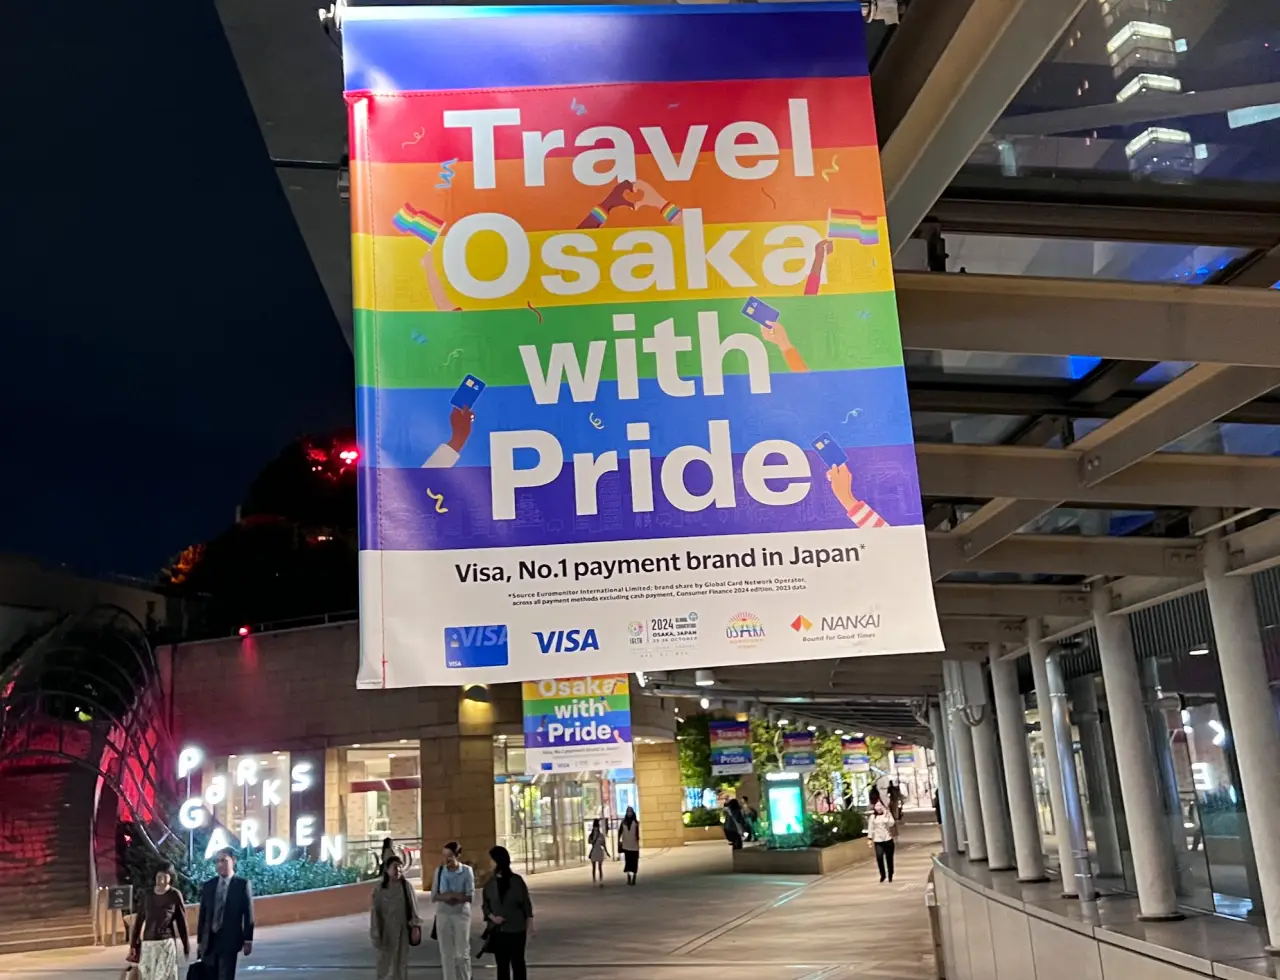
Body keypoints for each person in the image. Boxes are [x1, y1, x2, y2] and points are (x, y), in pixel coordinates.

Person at [197, 850, 255, 980]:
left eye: (224, 860)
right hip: (210, 940)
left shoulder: (242, 884)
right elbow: (203, 914)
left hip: (229, 939)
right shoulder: (209, 885)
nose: (220, 864)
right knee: (209, 975)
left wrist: (248, 939)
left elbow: (248, 913)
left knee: (225, 975)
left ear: (233, 861)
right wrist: (200, 940)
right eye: (217, 861)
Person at [482, 845, 534, 980]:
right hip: (499, 931)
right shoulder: (490, 883)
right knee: (502, 965)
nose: (490, 863)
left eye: (492, 860)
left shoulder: (516, 881)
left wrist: (530, 924)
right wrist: (493, 917)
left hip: (517, 929)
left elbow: (526, 905)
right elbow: (485, 906)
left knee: (518, 963)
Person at [129, 864, 189, 980]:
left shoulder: (174, 895)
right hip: (148, 944)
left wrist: (186, 945)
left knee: (162, 977)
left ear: (170, 877)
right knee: (147, 977)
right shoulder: (148, 895)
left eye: (164, 874)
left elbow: (181, 922)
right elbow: (139, 921)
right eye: (158, 874)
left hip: (165, 943)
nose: (160, 877)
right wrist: (133, 944)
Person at [370, 854, 421, 980]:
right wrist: (376, 933)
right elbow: (375, 912)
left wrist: (415, 926)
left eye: (400, 867)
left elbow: (413, 906)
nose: (398, 870)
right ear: (387, 870)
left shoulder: (406, 886)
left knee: (401, 962)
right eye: (395, 867)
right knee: (384, 962)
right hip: (385, 931)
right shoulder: (380, 890)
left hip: (402, 930)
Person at [431, 842, 475, 980]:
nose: (446, 859)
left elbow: (470, 895)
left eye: (449, 856)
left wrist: (454, 896)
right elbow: (434, 895)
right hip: (443, 914)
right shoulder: (439, 871)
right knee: (446, 954)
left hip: (461, 915)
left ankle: (465, 977)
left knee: (462, 953)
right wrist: (447, 896)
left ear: (458, 856)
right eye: (444, 856)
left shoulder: (467, 871)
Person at [869, 799, 897, 883]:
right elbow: (870, 828)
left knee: (889, 858)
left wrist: (886, 815)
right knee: (879, 857)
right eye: (877, 805)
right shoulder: (873, 817)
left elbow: (892, 824)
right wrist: (869, 838)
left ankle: (890, 875)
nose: (878, 807)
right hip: (878, 841)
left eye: (880, 805)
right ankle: (882, 875)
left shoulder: (888, 815)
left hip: (888, 839)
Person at [618, 807, 640, 886]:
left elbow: (637, 835)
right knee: (628, 862)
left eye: (630, 812)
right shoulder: (623, 823)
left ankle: (634, 877)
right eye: (628, 812)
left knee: (634, 863)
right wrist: (619, 842)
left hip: (634, 846)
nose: (629, 813)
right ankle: (629, 877)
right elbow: (619, 832)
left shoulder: (636, 823)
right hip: (626, 846)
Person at [587, 818, 610, 886]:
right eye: (595, 826)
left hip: (599, 851)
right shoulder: (591, 835)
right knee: (594, 867)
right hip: (594, 851)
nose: (596, 828)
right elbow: (589, 841)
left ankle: (601, 880)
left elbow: (604, 844)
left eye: (597, 827)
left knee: (600, 867)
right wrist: (592, 840)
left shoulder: (601, 835)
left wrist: (607, 852)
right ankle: (594, 880)